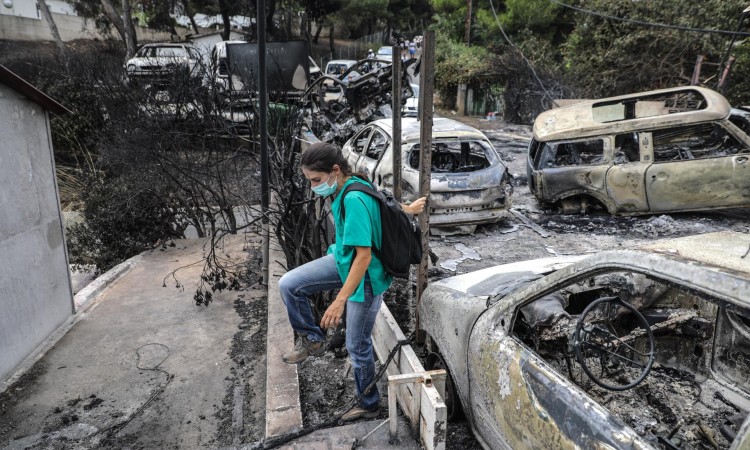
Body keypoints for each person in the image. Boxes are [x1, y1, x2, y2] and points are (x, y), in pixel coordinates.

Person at [278, 142, 426, 421]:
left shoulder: (352, 199)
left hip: (364, 277)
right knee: (289, 284)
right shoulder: (354, 181)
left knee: (357, 346)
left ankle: (369, 404)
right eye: (310, 181)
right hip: (343, 261)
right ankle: (313, 339)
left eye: (316, 180)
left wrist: (338, 301)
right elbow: (385, 203)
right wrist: (409, 208)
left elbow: (364, 257)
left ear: (335, 170)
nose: (313, 188)